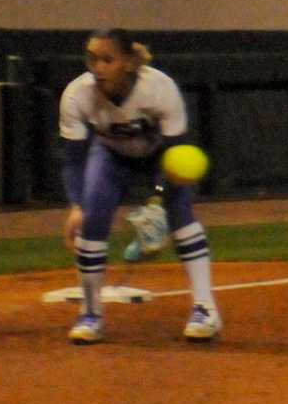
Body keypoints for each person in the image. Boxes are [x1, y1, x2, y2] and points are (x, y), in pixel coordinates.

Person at [57, 30, 222, 344]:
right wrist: (77, 206)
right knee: (91, 222)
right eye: (92, 59)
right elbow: (75, 160)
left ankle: (205, 309)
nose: (98, 67)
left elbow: (176, 154)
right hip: (111, 156)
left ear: (130, 62)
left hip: (162, 155)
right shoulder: (77, 95)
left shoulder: (159, 89)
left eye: (108, 59)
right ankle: (90, 314)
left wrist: (156, 202)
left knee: (181, 214)